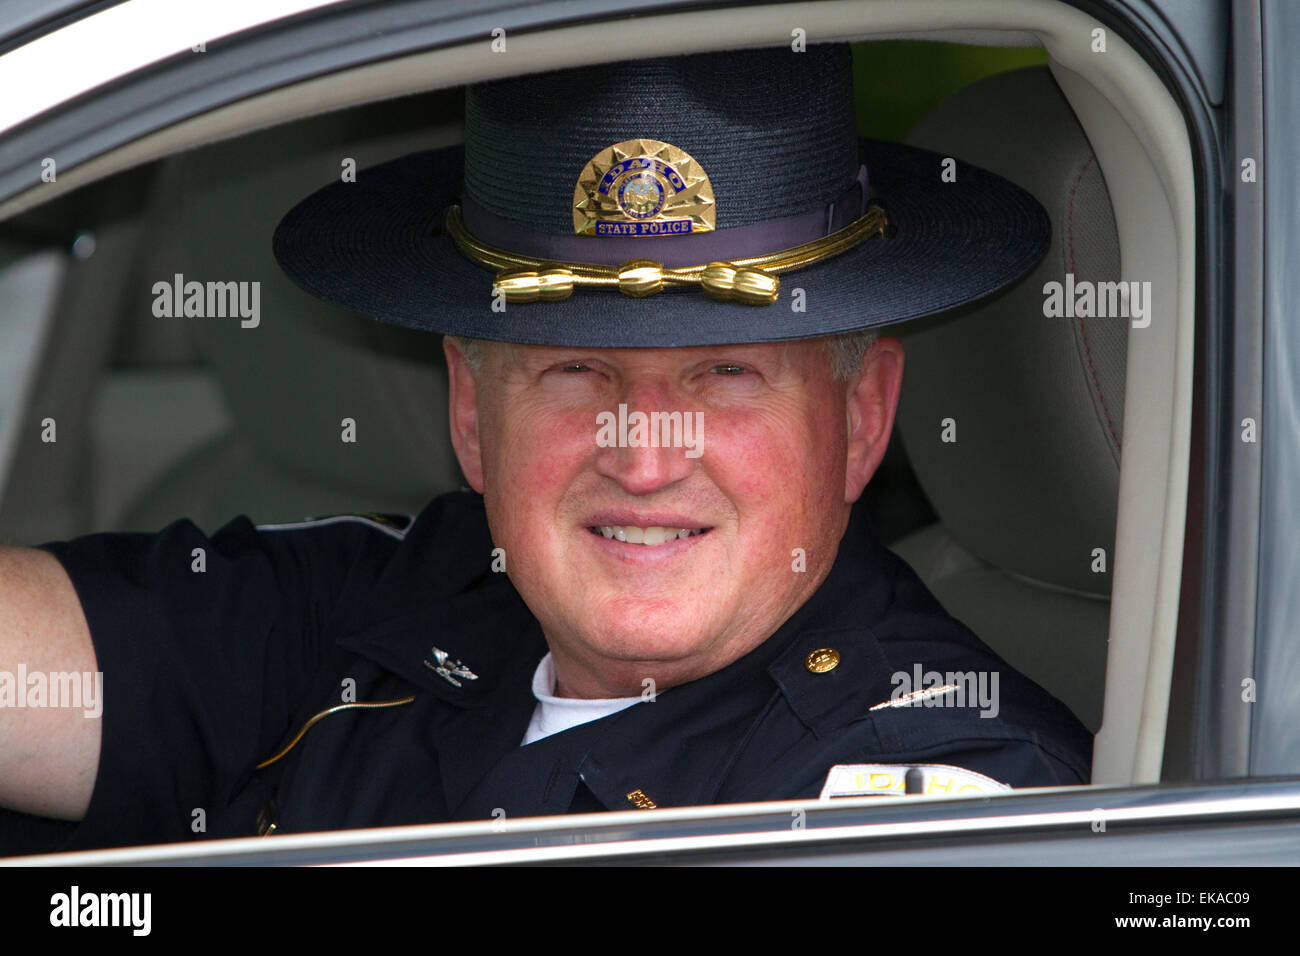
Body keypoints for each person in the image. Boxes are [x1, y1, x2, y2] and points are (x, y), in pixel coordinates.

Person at [0, 44, 1090, 854]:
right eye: (576, 370)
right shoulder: (395, 601)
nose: (647, 457)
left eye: (726, 374)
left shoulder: (931, 793)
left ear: (859, 420)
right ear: (471, 413)